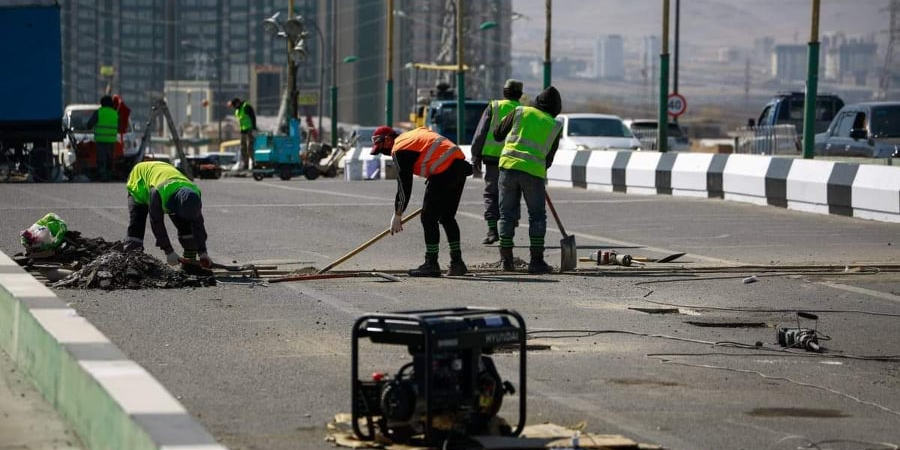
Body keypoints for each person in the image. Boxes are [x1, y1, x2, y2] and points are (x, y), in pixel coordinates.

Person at [370, 126, 473, 277]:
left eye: (382, 148)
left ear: (388, 139)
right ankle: (457, 263)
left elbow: (404, 186)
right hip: (459, 167)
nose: (384, 153)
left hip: (444, 172)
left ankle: (431, 264)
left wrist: (398, 214)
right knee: (447, 217)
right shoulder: (412, 135)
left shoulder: (399, 148)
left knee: (428, 218)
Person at [492, 86, 563, 274]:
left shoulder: (520, 111)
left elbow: (497, 134)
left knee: (506, 214)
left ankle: (506, 261)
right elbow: (549, 158)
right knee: (537, 216)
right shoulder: (555, 125)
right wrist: (537, 169)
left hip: (508, 168)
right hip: (534, 174)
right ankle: (537, 261)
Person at [123, 161, 212, 269]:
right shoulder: (158, 193)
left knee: (186, 224)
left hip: (165, 176)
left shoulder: (194, 193)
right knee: (137, 222)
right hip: (140, 180)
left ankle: (190, 263)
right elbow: (156, 223)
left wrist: (203, 252)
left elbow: (198, 224)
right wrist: (168, 251)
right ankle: (133, 263)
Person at [470, 79, 524, 245]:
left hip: (492, 159)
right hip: (515, 160)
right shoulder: (524, 111)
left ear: (504, 92)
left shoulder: (494, 107)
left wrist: (475, 155)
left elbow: (481, 133)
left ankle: (492, 231)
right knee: (512, 195)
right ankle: (508, 233)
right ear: (520, 95)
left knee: (491, 194)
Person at [86, 95, 120, 182]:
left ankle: (103, 175)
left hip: (100, 139)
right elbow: (120, 127)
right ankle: (108, 175)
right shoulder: (115, 113)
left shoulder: (98, 112)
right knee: (109, 158)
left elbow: (89, 124)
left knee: (101, 158)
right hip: (111, 140)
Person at [228, 98, 257, 170]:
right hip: (243, 130)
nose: (234, 107)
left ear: (238, 103)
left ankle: (254, 163)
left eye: (234, 105)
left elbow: (253, 117)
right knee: (242, 147)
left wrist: (254, 128)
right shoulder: (237, 111)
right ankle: (245, 164)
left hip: (250, 129)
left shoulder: (246, 106)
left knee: (250, 147)